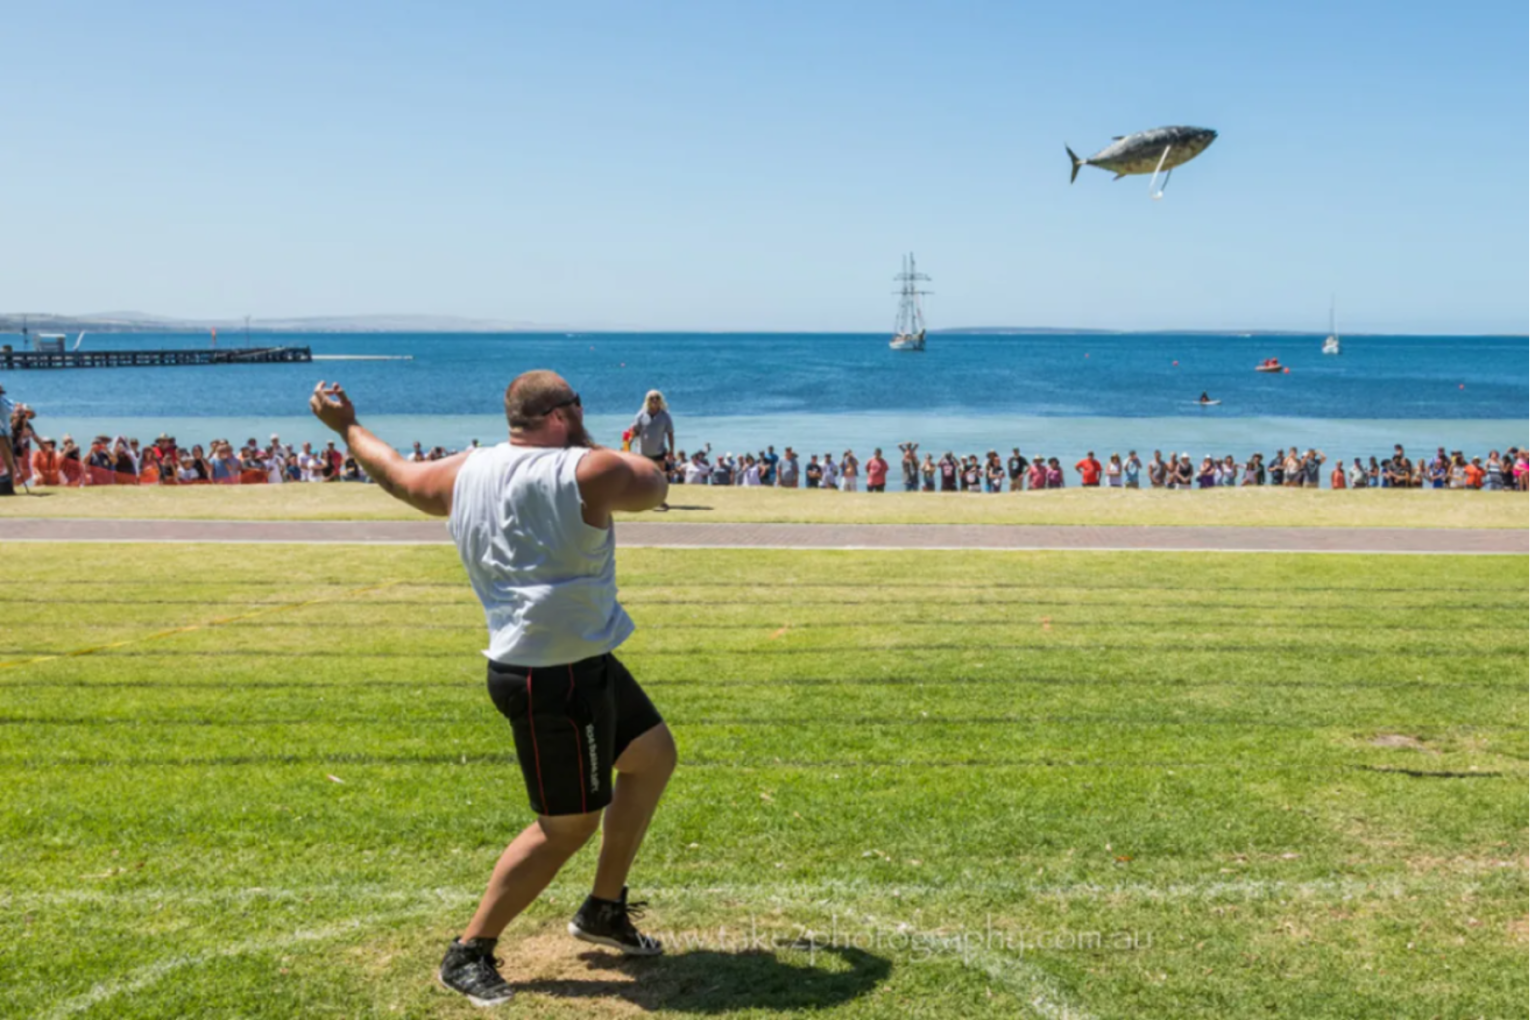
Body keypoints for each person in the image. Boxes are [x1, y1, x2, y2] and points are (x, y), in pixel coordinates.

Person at [310, 373, 675, 1006]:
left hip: (583, 660)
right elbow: (654, 482)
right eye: (578, 408)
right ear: (562, 415)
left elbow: (396, 473)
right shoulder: (584, 472)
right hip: (549, 679)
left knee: (652, 757)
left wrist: (347, 427)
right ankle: (469, 950)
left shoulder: (467, 471)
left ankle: (603, 908)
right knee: (566, 827)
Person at [629, 391, 674, 511]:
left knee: (661, 478)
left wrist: (671, 450)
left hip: (659, 451)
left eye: (657, 398)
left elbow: (670, 433)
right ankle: (642, 501)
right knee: (642, 478)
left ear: (660, 400)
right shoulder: (641, 415)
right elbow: (634, 430)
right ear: (647, 400)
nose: (654, 400)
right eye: (652, 398)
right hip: (643, 452)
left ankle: (660, 501)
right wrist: (629, 440)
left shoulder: (665, 416)